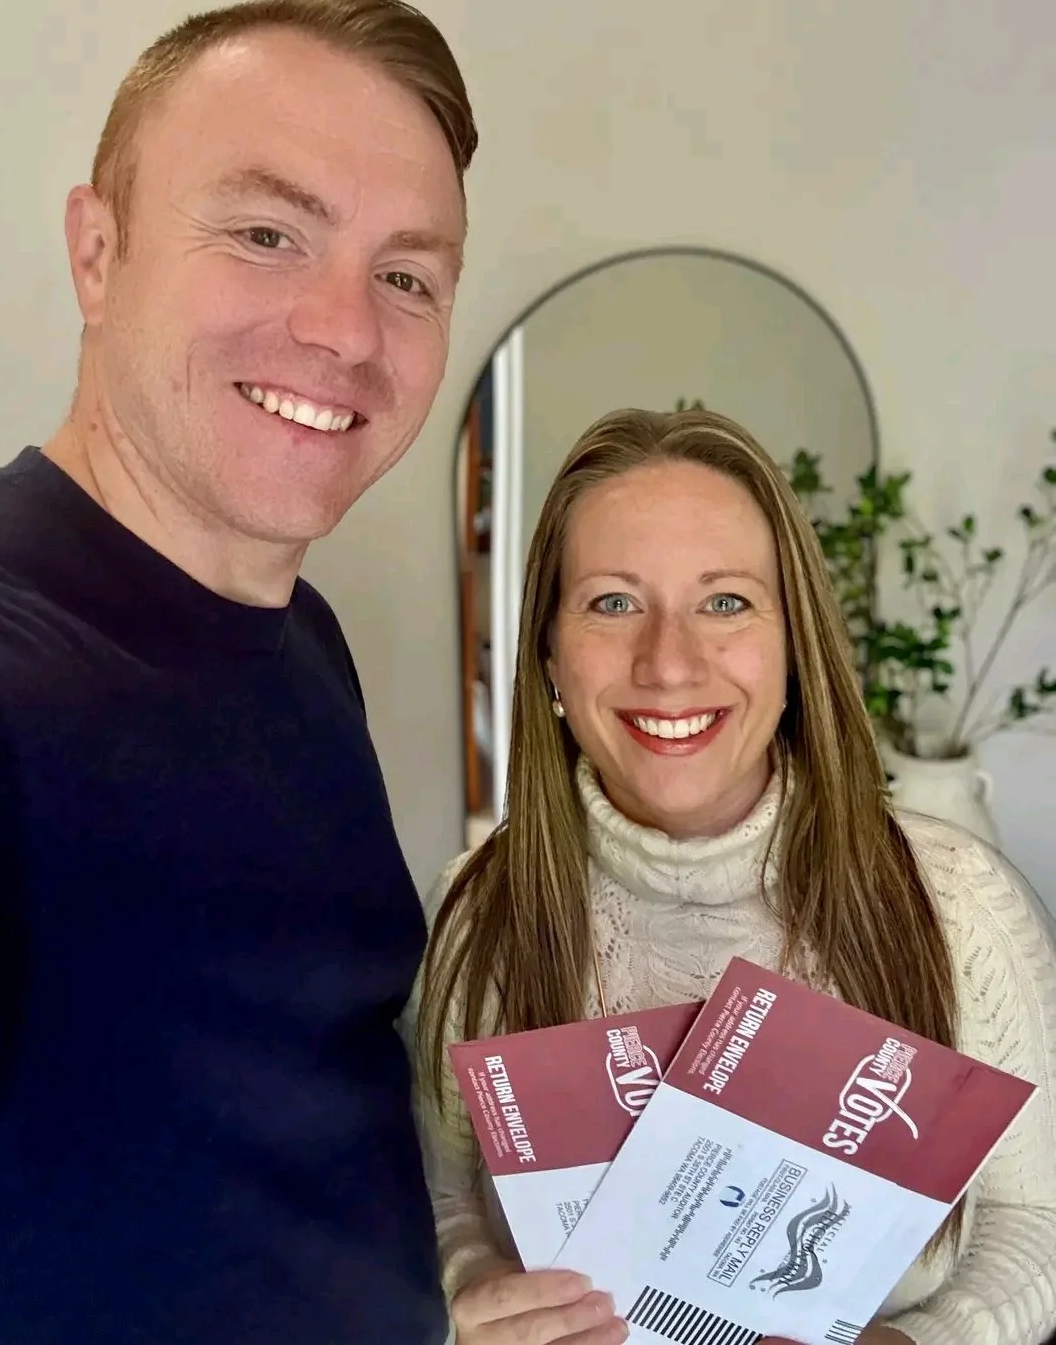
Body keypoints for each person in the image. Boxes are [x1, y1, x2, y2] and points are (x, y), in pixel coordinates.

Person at [0, 0, 475, 1343]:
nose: (346, 330)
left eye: (406, 275)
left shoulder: (298, 637)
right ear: (98, 251)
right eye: (267, 235)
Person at [414, 407, 1056, 1345]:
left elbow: (1035, 1223)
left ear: (795, 646)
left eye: (725, 602)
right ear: (549, 655)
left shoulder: (957, 899)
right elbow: (439, 1194)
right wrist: (474, 1292)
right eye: (612, 601)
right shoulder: (476, 912)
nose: (669, 663)